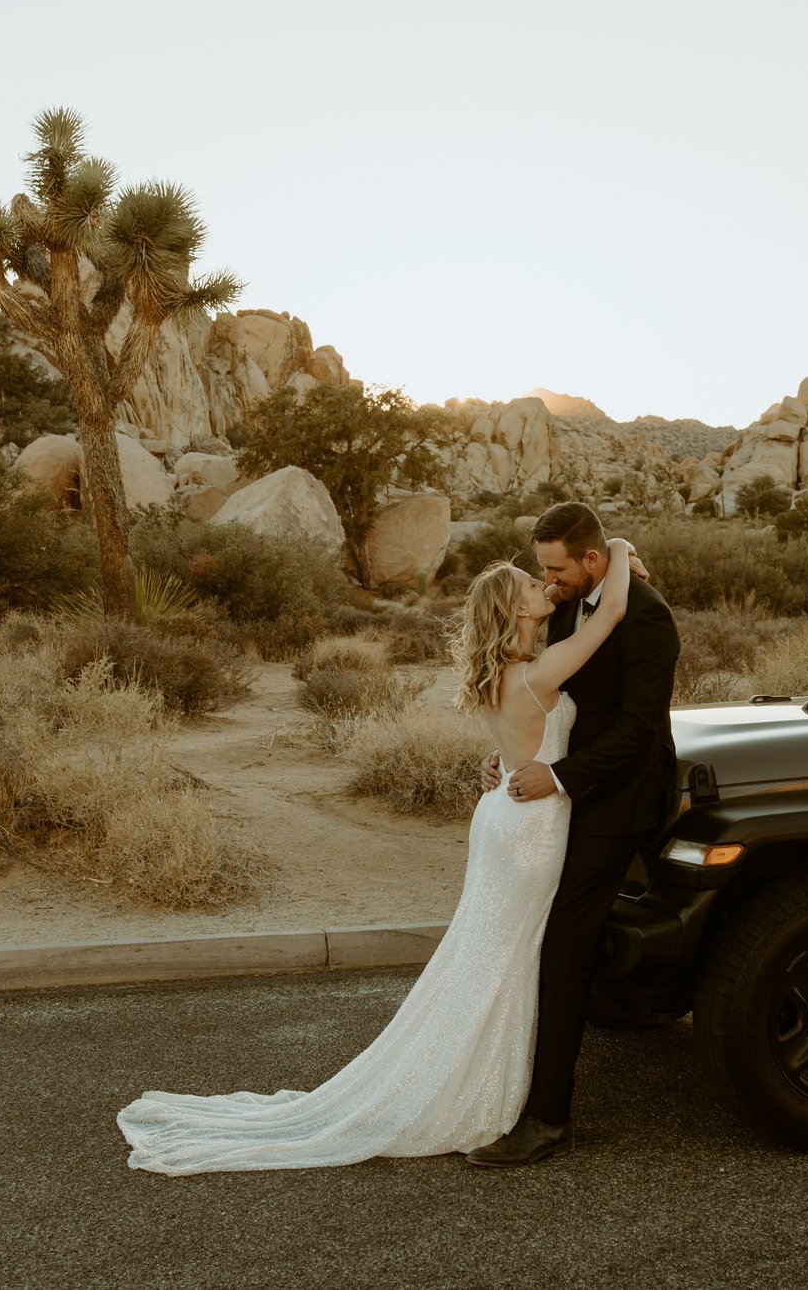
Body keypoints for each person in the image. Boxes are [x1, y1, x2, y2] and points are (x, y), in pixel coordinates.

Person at [114, 522, 641, 1174]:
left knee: (484, 954)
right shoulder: (537, 675)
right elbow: (612, 609)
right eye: (534, 584)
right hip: (531, 829)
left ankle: (472, 1079)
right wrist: (617, 550)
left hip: (503, 810)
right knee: (506, 958)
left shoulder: (503, 674)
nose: (544, 587)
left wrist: (502, 762)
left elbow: (518, 744)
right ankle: (478, 1093)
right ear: (515, 610)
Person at [465, 500, 681, 1167]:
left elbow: (639, 728)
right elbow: (538, 691)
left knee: (562, 945)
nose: (549, 580)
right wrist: (512, 751)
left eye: (557, 567)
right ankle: (510, 1077)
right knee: (536, 939)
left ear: (590, 560)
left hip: (615, 801)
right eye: (541, 570)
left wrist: (557, 774)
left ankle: (548, 1117)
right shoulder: (568, 601)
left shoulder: (646, 617)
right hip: (556, 800)